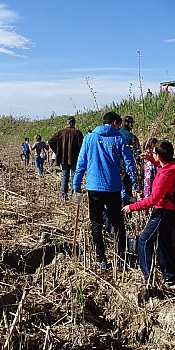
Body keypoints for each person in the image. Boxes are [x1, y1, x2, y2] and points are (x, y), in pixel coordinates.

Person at [73, 111, 138, 270]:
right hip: (113, 187)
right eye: (119, 124)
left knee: (96, 224)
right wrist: (135, 183)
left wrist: (76, 186)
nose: (119, 127)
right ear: (115, 123)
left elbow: (81, 164)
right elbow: (129, 162)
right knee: (118, 224)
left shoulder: (89, 138)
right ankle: (120, 257)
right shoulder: (118, 139)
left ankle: (101, 257)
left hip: (94, 187)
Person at [122, 139, 175, 285]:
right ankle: (170, 277)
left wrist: (132, 207)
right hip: (171, 211)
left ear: (159, 155)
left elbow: (152, 200)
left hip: (163, 211)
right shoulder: (173, 166)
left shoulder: (165, 175)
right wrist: (151, 158)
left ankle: (148, 277)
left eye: (154, 154)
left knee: (144, 241)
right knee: (165, 244)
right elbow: (161, 164)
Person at [48, 116, 84, 199]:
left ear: (67, 123)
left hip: (64, 158)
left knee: (65, 177)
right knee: (75, 177)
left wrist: (58, 151)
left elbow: (51, 141)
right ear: (74, 123)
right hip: (75, 159)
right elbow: (82, 146)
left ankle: (64, 196)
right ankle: (74, 196)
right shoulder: (78, 133)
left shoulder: (61, 132)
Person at [118, 116, 140, 205]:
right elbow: (137, 154)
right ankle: (128, 213)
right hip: (127, 169)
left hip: (115, 169)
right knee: (127, 190)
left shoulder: (115, 135)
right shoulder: (132, 137)